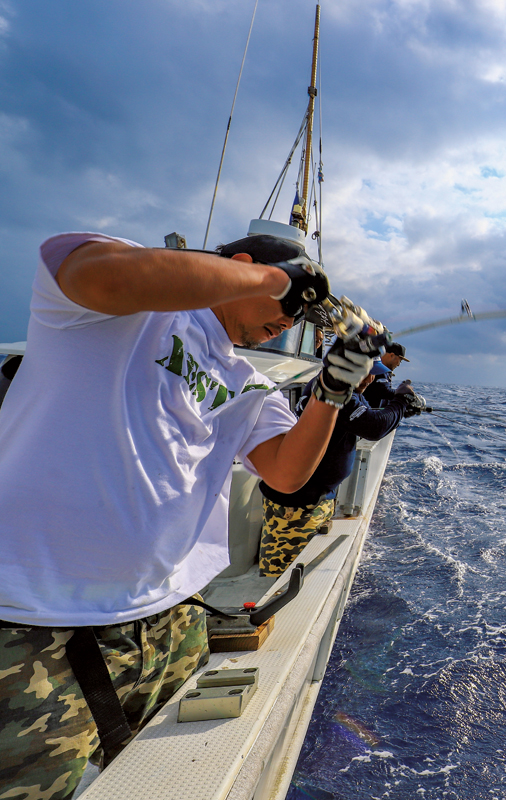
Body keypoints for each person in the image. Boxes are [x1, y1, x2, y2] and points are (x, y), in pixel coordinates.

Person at [0, 230, 374, 800]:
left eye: (302, 312)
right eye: (291, 303)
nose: (293, 319)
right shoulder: (122, 306)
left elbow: (286, 473)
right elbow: (100, 275)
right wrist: (279, 278)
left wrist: (332, 391)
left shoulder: (252, 384)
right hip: (34, 625)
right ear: (244, 266)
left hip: (170, 618)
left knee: (163, 782)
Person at [258, 360, 421, 577]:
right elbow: (373, 426)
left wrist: (399, 412)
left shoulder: (343, 388)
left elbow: (367, 417)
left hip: (314, 500)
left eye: (373, 374)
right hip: (297, 504)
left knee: (305, 571)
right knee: (284, 577)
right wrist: (400, 402)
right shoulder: (334, 393)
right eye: (364, 373)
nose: (369, 379)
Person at [361, 341, 408, 408]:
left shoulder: (384, 372)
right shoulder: (378, 370)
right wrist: (403, 393)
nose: (398, 364)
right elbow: (384, 391)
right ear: (391, 355)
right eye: (400, 360)